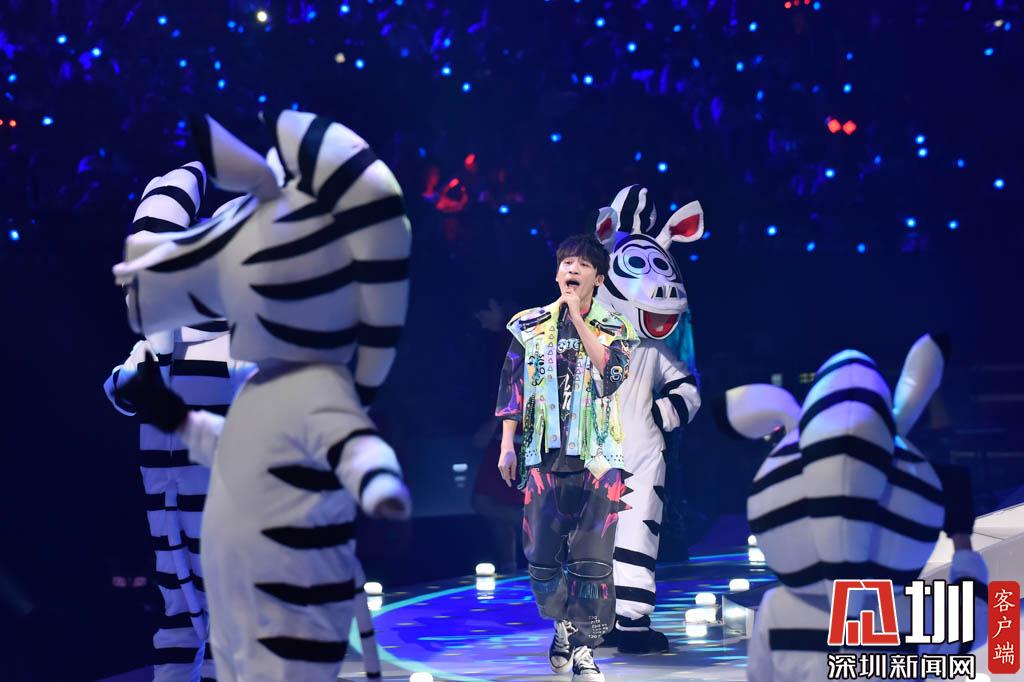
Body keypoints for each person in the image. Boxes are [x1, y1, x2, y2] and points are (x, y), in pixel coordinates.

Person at [495, 234, 639, 682]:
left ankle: (584, 650)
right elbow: (512, 388)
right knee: (541, 561)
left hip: (599, 461)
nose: (572, 270)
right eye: (566, 263)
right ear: (557, 272)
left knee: (592, 563)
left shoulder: (615, 326)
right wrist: (506, 445)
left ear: (598, 278)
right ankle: (562, 624)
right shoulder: (528, 325)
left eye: (582, 264)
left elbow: (611, 374)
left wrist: (578, 318)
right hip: (541, 458)